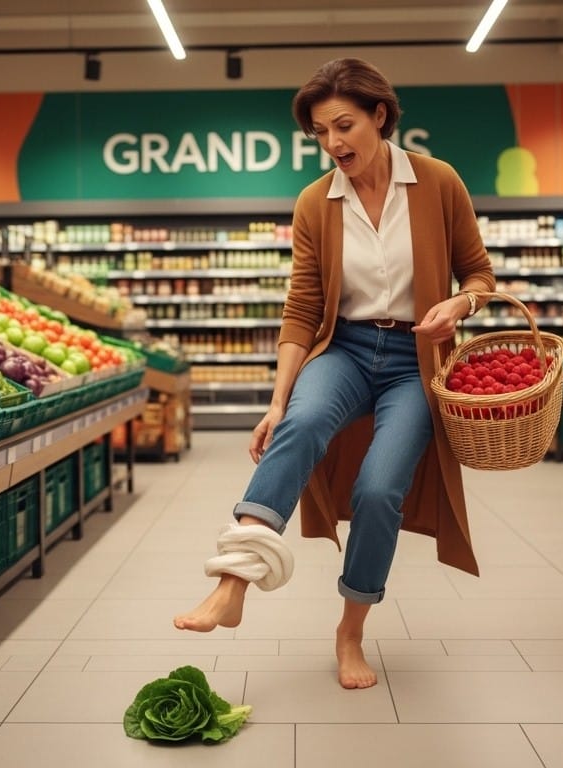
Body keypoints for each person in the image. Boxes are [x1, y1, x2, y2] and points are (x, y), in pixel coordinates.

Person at [173, 57, 496, 690]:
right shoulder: (315, 202)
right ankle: (232, 584)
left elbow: (479, 274)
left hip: (413, 360)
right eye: (320, 132)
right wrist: (276, 402)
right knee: (299, 426)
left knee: (378, 491)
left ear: (380, 116)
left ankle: (351, 630)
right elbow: (301, 308)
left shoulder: (438, 182)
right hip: (343, 349)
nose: (332, 143)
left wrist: (461, 304)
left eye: (344, 126)